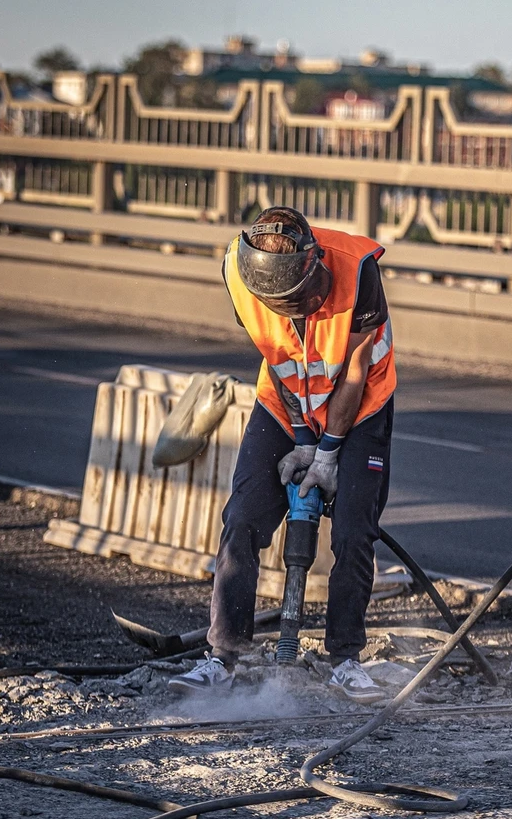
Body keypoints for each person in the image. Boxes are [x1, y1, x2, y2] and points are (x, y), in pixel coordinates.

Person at [170, 206, 396, 704]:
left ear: (313, 262)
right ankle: (222, 656)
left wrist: (327, 452)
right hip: (283, 401)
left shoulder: (359, 271)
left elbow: (354, 373)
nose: (294, 310)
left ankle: (345, 660)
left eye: (300, 300)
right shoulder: (237, 269)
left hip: (360, 408)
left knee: (355, 528)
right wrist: (300, 435)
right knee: (244, 516)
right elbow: (275, 355)